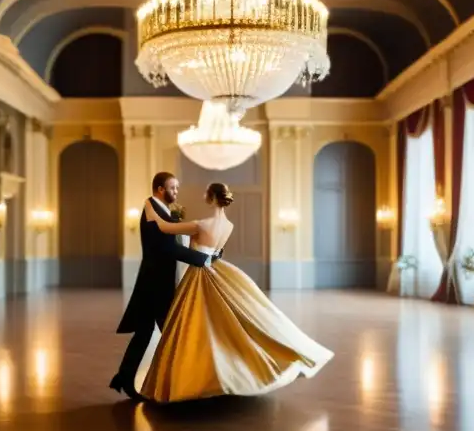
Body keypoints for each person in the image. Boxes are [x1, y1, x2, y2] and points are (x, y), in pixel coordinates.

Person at [137, 181, 333, 403]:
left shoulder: (202, 224)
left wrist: (148, 206)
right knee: (222, 327)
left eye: (205, 194)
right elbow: (214, 251)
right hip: (216, 269)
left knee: (197, 328)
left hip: (199, 276)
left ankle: (196, 379)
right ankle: (219, 376)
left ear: (211, 198)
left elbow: (163, 227)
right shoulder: (228, 226)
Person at [110, 172, 218, 400]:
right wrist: (204, 259)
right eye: (172, 188)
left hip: (158, 282)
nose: (176, 192)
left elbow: (178, 241)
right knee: (173, 332)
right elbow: (167, 249)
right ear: (160, 189)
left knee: (146, 333)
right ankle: (180, 384)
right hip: (155, 284)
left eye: (177, 188)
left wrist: (207, 251)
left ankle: (125, 378)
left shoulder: (162, 211)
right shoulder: (152, 212)